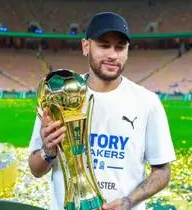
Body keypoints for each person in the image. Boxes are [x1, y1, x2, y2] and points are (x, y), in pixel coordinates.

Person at [28, 12, 176, 210]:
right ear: (86, 46)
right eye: (104, 45)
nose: (113, 55)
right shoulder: (58, 96)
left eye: (120, 47)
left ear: (127, 51)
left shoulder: (148, 103)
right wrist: (48, 151)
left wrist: (129, 201)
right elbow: (36, 170)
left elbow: (163, 171)